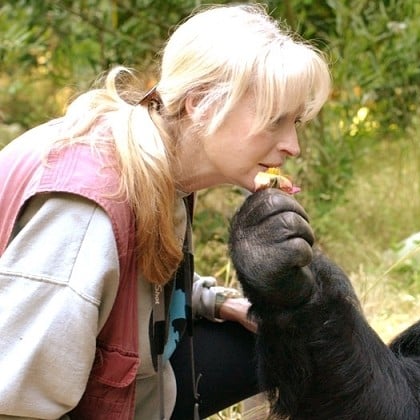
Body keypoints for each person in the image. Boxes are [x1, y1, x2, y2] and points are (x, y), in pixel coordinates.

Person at [0, 3, 330, 419]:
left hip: (141, 389)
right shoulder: (86, 212)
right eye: (274, 120)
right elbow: (14, 400)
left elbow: (121, 288)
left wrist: (212, 300)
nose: (292, 146)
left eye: (295, 121)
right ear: (200, 103)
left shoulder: (155, 158)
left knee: (290, 338)